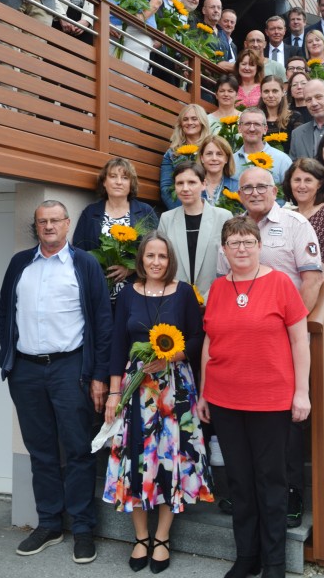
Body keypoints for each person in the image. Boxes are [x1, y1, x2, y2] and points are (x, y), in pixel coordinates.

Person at [0, 200, 112, 564]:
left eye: (54, 220)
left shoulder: (84, 264)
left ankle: (83, 529)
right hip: (26, 371)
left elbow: (102, 322)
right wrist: (8, 359)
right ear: (37, 226)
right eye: (42, 221)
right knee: (41, 450)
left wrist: (98, 376)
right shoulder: (20, 264)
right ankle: (49, 524)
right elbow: (5, 313)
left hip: (70, 368)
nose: (48, 226)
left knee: (77, 449)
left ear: (66, 224)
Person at [199, 216, 311, 578]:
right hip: (225, 399)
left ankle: (274, 562)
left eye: (248, 242)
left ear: (260, 246)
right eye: (234, 243)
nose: (242, 249)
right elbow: (209, 341)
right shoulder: (218, 289)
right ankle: (247, 556)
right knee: (240, 481)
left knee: (271, 482)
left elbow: (300, 340)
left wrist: (302, 392)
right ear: (224, 250)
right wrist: (204, 393)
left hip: (271, 400)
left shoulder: (280, 284)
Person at [219, 168, 323, 531]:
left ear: (275, 190)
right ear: (239, 193)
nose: (254, 192)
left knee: (285, 423)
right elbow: (224, 281)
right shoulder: (234, 230)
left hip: (283, 338)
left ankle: (291, 493)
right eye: (247, 187)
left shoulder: (295, 225)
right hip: (244, 343)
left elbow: (311, 279)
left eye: (261, 186)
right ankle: (247, 492)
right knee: (248, 426)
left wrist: (290, 327)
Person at [104, 232, 214, 573]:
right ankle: (140, 537)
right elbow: (117, 344)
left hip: (174, 389)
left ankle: (162, 537)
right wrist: (113, 394)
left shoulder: (183, 293)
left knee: (171, 459)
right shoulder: (127, 294)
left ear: (170, 260)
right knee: (135, 458)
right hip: (136, 389)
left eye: (162, 256)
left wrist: (171, 357)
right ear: (141, 259)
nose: (155, 262)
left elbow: (197, 338)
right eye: (150, 255)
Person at [72, 158, 158, 306]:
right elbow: (78, 250)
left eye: (125, 178)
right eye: (113, 176)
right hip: (98, 293)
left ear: (131, 184)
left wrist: (130, 268)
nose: (119, 182)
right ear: (104, 182)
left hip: (136, 293)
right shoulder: (90, 212)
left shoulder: (145, 212)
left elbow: (157, 249)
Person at [158, 162, 232, 303]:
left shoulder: (224, 217)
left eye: (192, 182)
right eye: (180, 183)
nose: (185, 188)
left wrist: (207, 299)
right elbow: (161, 261)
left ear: (204, 184)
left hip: (216, 299)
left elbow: (230, 262)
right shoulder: (166, 219)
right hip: (175, 300)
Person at [160, 103, 210, 210]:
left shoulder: (211, 149)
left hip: (211, 206)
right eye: (185, 119)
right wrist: (186, 211)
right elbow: (166, 189)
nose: (189, 122)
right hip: (181, 209)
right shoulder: (172, 154)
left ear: (202, 122)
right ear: (181, 124)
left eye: (194, 119)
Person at [233, 107, 292, 183]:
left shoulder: (282, 161)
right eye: (247, 124)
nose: (252, 129)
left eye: (257, 124)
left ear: (265, 129)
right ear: (239, 128)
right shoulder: (231, 162)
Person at [258, 76, 302, 153]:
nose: (270, 95)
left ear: (282, 92)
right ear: (261, 94)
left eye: (275, 91)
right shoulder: (255, 119)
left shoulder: (294, 118)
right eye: (266, 91)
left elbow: (299, 147)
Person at [198, 135, 239, 205]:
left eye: (219, 154)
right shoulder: (192, 186)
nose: (214, 158)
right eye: (209, 154)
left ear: (226, 159)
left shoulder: (237, 187)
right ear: (202, 158)